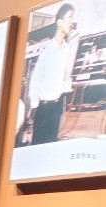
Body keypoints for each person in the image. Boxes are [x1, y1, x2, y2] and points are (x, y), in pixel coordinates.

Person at [27, 4, 77, 145]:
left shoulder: (65, 49)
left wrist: (66, 89)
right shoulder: (47, 50)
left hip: (56, 107)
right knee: (39, 145)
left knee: (51, 144)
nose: (71, 22)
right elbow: (35, 79)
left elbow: (63, 75)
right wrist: (34, 107)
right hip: (44, 108)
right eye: (69, 17)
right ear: (59, 22)